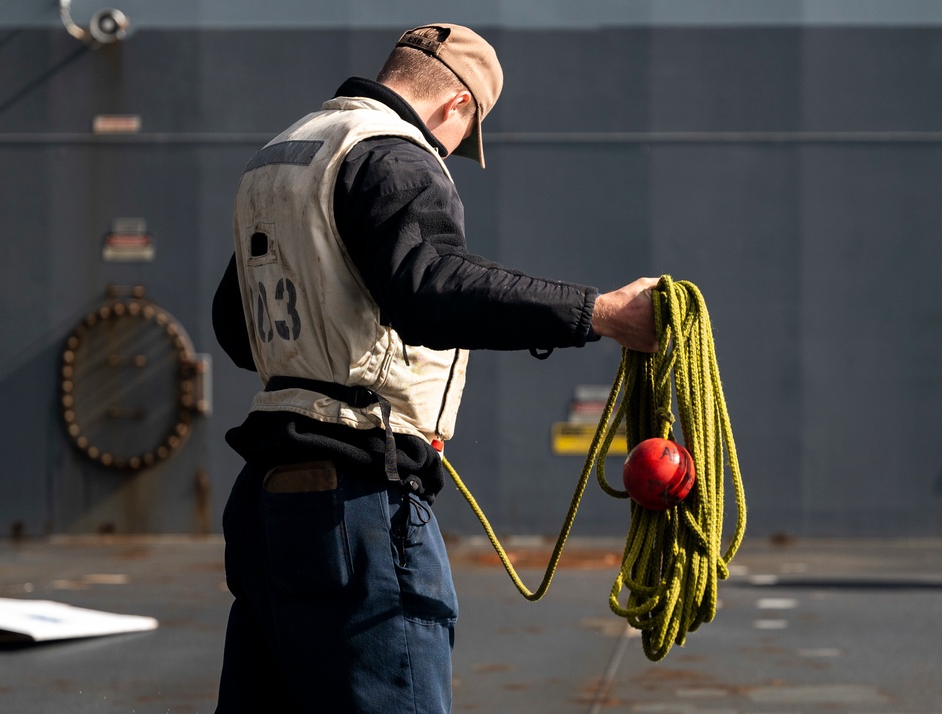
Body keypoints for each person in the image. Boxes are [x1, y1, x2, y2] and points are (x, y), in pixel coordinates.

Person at [211, 22, 659, 713]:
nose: (453, 152)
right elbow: (432, 288)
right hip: (356, 507)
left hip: (266, 505)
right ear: (457, 106)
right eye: (463, 136)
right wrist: (599, 314)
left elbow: (236, 329)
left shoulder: (286, 158)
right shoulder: (397, 156)